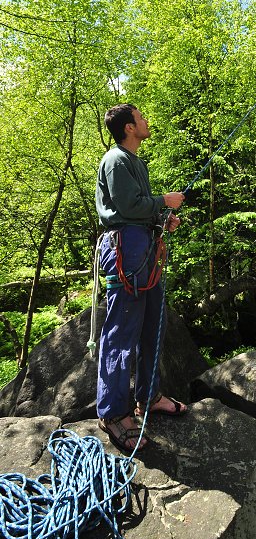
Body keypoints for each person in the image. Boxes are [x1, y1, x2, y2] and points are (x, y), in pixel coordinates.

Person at [95, 103, 187, 453]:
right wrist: (163, 201)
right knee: (122, 331)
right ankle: (114, 413)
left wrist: (162, 220)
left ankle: (148, 397)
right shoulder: (116, 160)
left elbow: (138, 208)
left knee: (151, 325)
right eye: (141, 117)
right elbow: (128, 207)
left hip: (143, 244)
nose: (147, 120)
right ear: (129, 128)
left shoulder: (135, 162)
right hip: (126, 247)